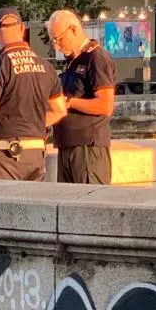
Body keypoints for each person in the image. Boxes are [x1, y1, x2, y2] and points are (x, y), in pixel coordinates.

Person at [0, 7, 68, 181]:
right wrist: (32, 123)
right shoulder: (46, 67)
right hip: (36, 155)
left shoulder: (0, 65)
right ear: (23, 29)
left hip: (6, 158)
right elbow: (60, 110)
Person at [47, 10, 116, 185]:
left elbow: (106, 106)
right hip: (66, 146)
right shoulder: (73, 61)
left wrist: (70, 102)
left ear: (74, 30)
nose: (56, 46)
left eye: (59, 39)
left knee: (89, 205)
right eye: (53, 41)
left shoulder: (96, 58)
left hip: (88, 148)